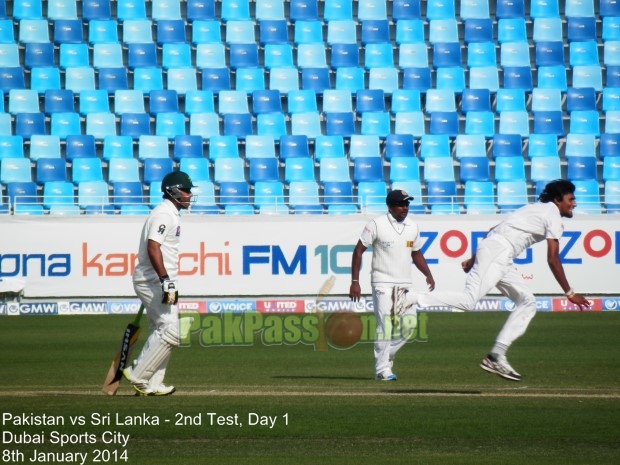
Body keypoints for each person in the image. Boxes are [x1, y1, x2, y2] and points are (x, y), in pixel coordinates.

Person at [413, 179, 590, 381]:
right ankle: (411, 298)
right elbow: (552, 258)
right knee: (468, 301)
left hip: (500, 253)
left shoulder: (534, 209)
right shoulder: (552, 214)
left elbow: (493, 229)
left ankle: (496, 355)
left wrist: (474, 258)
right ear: (558, 200)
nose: (574, 203)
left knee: (527, 302)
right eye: (571, 199)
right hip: (499, 251)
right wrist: (570, 293)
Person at [349, 189, 436, 381]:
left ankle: (386, 354)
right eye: (401, 204)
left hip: (404, 284)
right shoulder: (376, 224)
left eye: (407, 204)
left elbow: (416, 253)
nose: (405, 208)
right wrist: (355, 282)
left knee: (410, 325)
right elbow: (358, 251)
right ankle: (382, 370)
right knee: (385, 325)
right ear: (390, 206)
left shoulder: (413, 226)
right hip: (382, 282)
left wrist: (428, 274)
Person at [123, 170, 194, 396]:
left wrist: (167, 281)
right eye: (186, 190)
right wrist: (164, 280)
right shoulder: (163, 214)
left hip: (161, 280)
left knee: (160, 330)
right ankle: (137, 373)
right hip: (153, 279)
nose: (189, 195)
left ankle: (152, 384)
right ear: (173, 191)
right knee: (171, 329)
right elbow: (153, 246)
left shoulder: (171, 214)